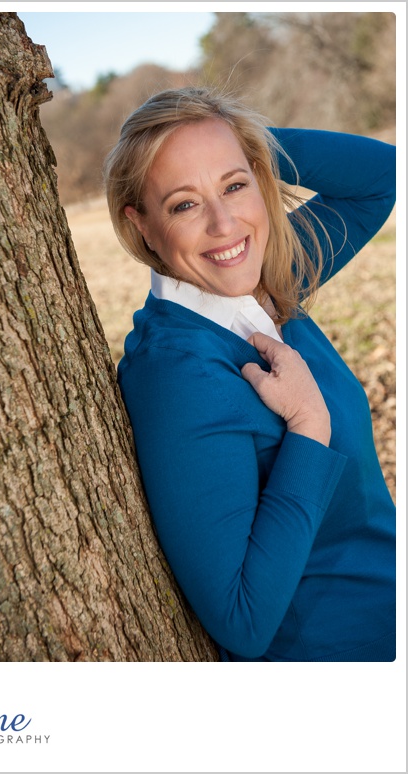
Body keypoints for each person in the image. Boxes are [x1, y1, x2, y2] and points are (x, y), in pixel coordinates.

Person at [103, 86, 395, 661]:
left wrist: (237, 143)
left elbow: (382, 177)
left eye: (236, 186)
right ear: (141, 226)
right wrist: (309, 426)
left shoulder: (263, 281)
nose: (223, 223)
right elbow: (243, 620)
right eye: (184, 203)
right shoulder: (178, 376)